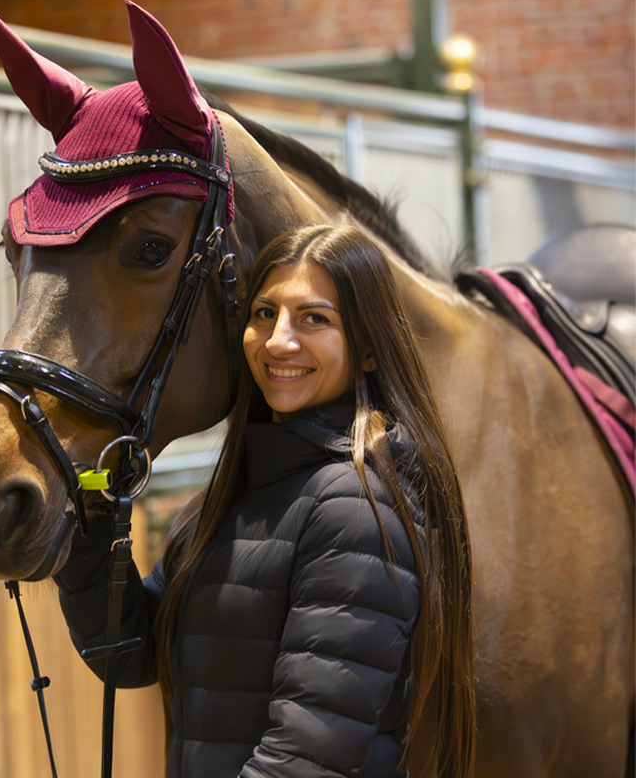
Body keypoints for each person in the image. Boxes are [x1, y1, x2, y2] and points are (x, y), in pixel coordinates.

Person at [56, 224, 475, 778]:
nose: (278, 341)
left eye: (314, 319)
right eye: (264, 313)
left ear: (370, 350)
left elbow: (306, 759)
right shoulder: (234, 496)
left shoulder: (354, 511)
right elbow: (130, 653)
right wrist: (88, 529)